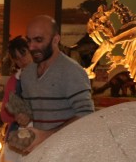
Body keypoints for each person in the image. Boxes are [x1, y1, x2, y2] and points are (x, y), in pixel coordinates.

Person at [15, 15, 94, 153]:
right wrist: (25, 115)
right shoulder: (27, 75)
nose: (32, 47)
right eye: (29, 40)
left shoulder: (72, 71)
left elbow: (87, 114)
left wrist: (47, 136)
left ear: (55, 40)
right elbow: (31, 110)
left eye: (39, 40)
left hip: (69, 153)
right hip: (41, 154)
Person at [0, 36, 32, 162]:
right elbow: (4, 114)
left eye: (23, 54)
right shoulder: (13, 81)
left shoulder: (46, 76)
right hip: (20, 140)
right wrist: (17, 116)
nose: (21, 60)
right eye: (16, 58)